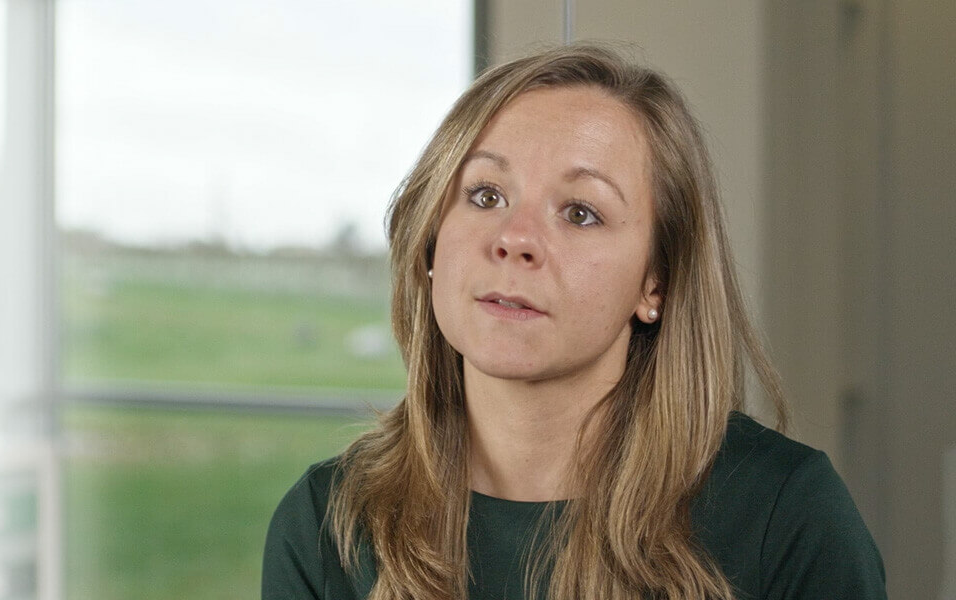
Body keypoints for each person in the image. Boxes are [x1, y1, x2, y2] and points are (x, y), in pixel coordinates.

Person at [261, 44, 885, 600]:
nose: (515, 238)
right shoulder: (324, 525)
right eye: (485, 195)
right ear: (430, 242)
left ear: (656, 282)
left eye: (581, 212)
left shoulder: (789, 516)